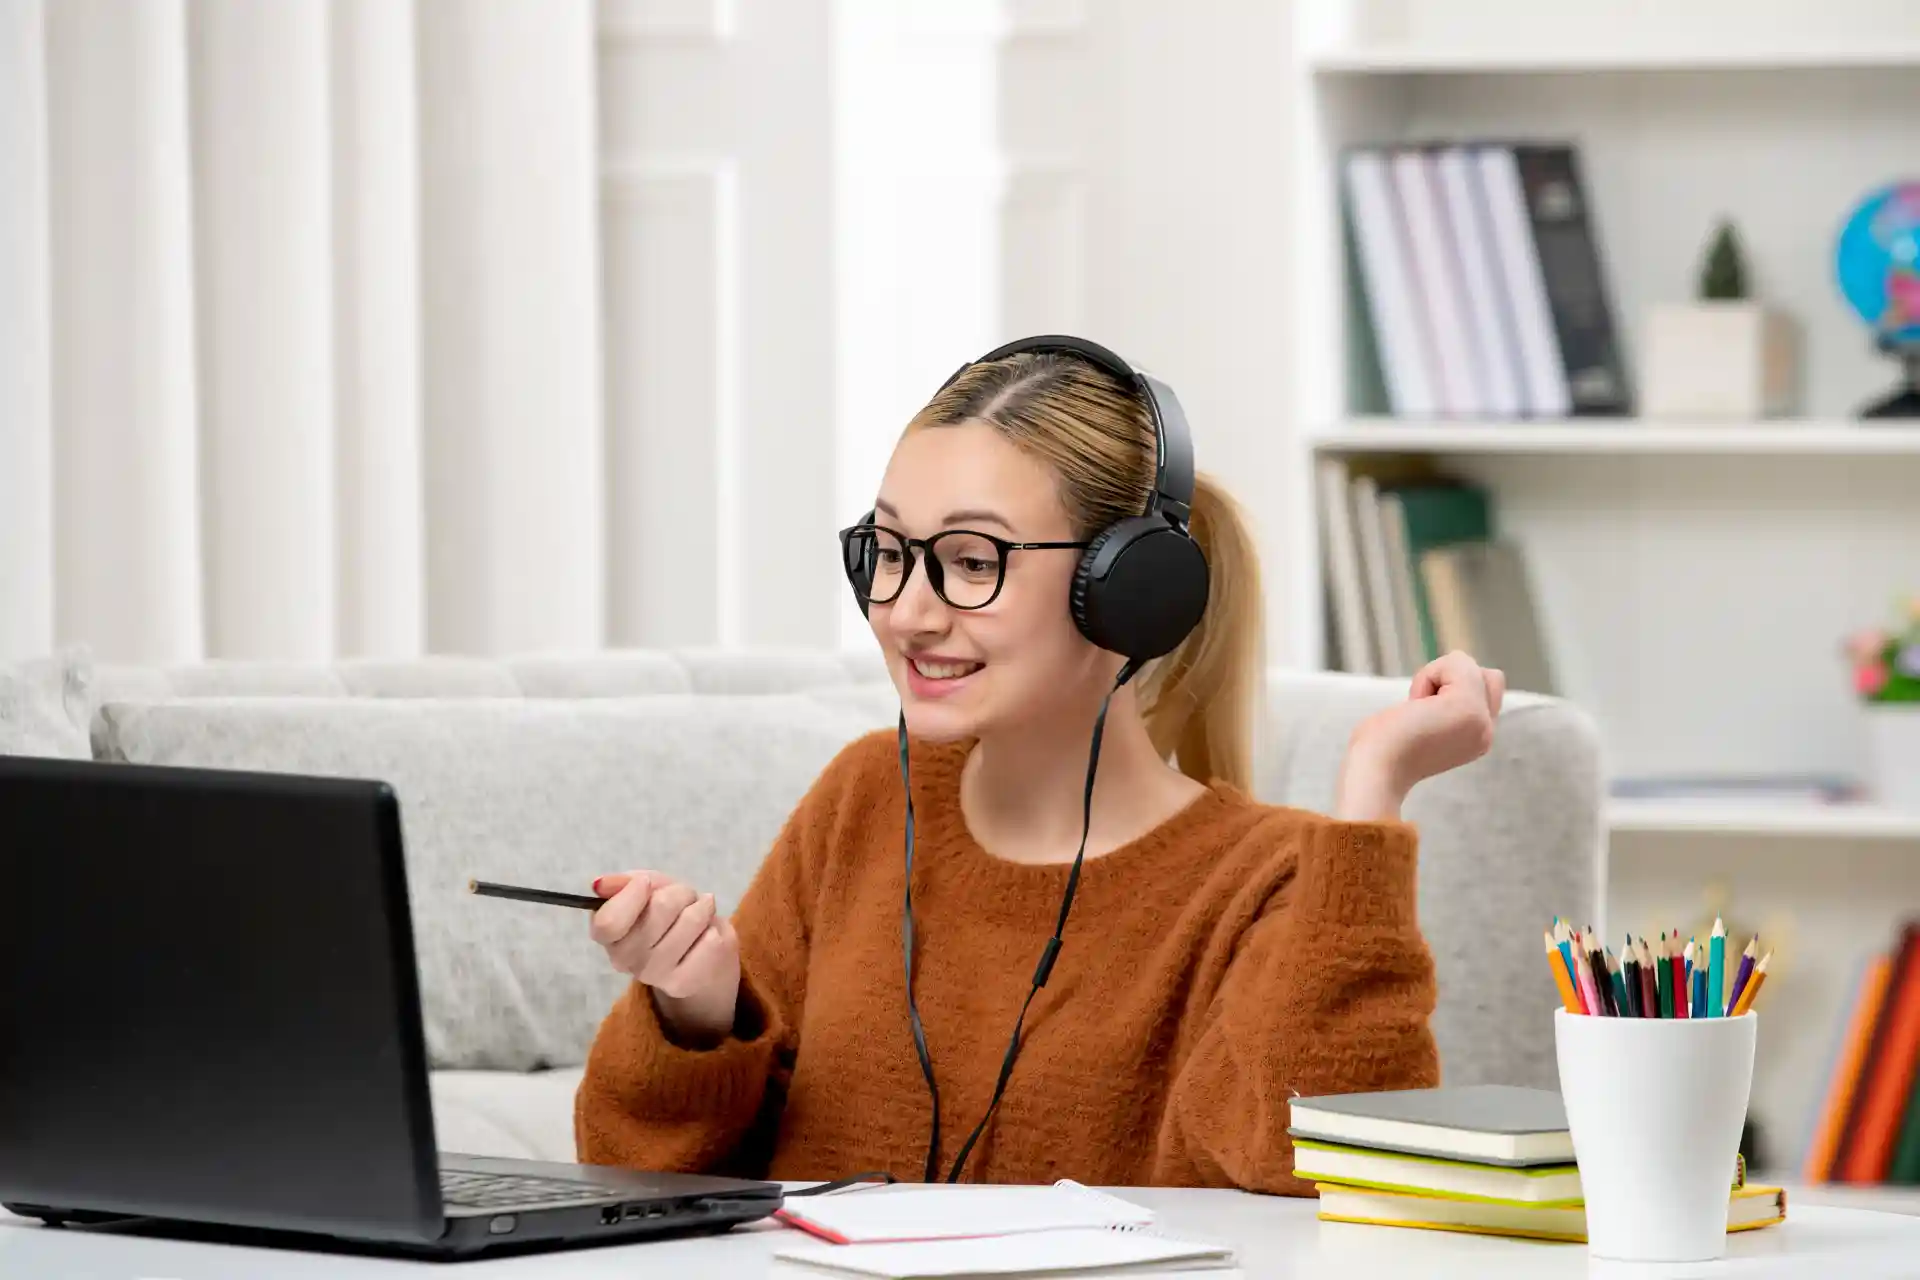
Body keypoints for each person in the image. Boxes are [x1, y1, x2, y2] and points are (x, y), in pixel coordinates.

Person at [573, 340, 1505, 1194]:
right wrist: (698, 1015)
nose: (907, 612)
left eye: (972, 562)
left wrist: (1373, 798)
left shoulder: (1275, 878)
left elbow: (1325, 1178)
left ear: (1130, 592)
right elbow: (633, 1181)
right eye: (891, 553)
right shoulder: (865, 797)